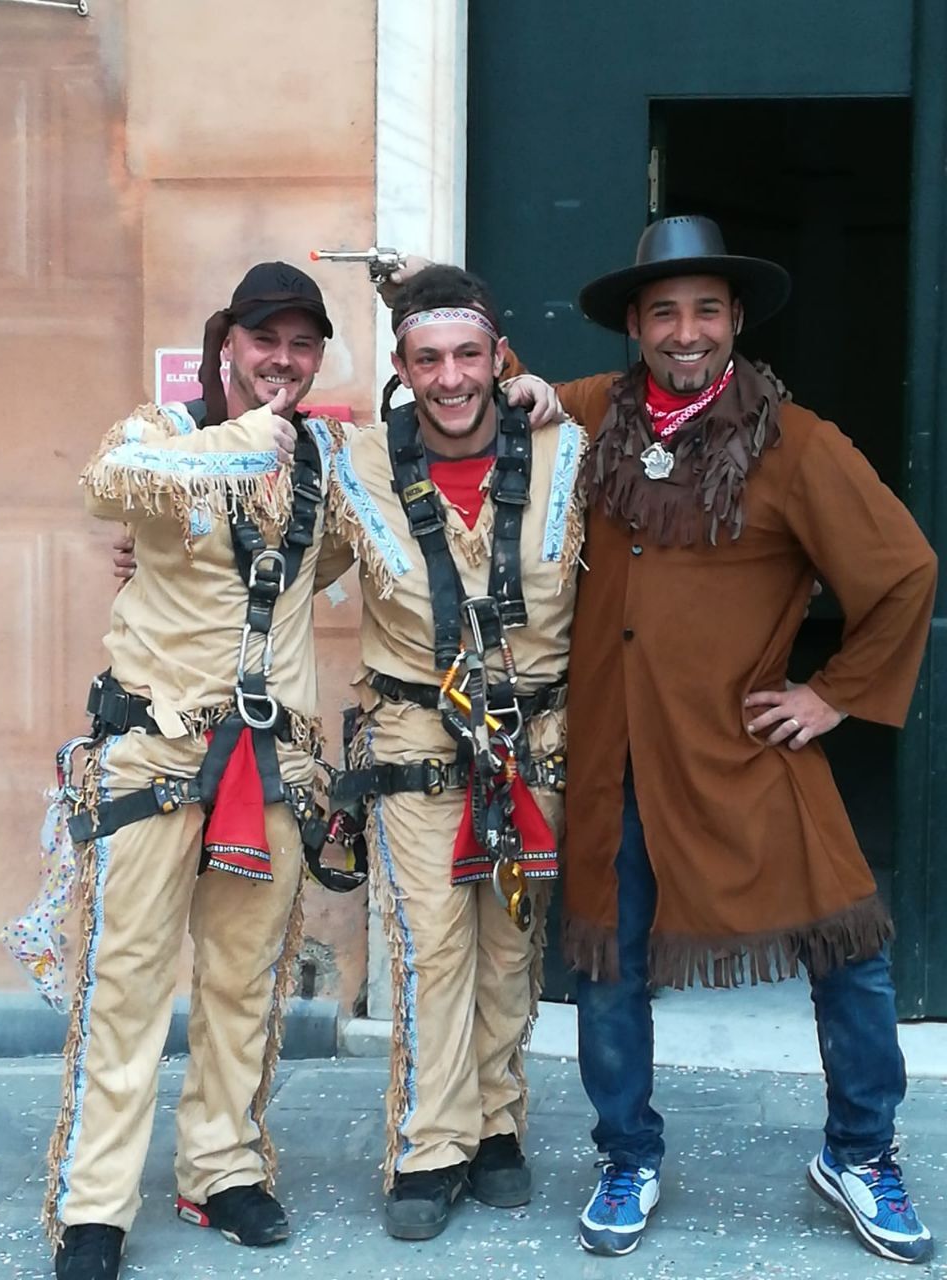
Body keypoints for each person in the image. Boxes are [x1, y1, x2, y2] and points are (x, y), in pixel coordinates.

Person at [505, 216, 937, 1265]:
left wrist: (831, 695)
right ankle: (628, 1154)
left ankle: (862, 1151)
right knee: (608, 962)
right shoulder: (596, 414)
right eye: (664, 312)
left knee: (852, 949)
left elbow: (906, 570)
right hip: (617, 753)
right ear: (636, 328)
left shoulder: (797, 442)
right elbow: (485, 401)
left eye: (705, 309)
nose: (685, 331)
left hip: (747, 752)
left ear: (735, 319)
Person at [46, 262, 361, 1280]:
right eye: (265, 339)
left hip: (269, 768)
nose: (282, 360)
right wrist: (236, 445)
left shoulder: (323, 460)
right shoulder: (165, 432)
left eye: (302, 344)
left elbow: (360, 550)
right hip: (154, 754)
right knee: (126, 983)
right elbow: (102, 482)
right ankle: (93, 1202)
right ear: (227, 343)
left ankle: (223, 1167)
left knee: (245, 983)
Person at [322, 263, 584, 1239]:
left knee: (513, 938)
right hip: (413, 739)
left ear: (498, 355)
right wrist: (166, 550)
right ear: (402, 366)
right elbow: (291, 566)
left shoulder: (567, 449)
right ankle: (430, 1145)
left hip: (536, 741)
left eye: (468, 354)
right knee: (432, 948)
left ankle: (499, 1125)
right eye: (428, 358)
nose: (451, 377)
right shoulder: (358, 466)